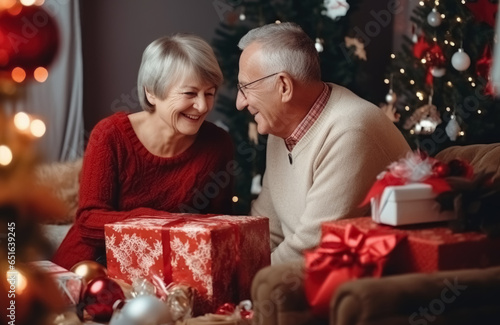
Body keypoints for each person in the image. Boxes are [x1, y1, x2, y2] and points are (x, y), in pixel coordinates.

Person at [53, 34, 234, 269]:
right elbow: (89, 221)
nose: (202, 106)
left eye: (209, 93)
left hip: (164, 272)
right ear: (152, 93)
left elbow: (218, 227)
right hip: (90, 266)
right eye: (190, 93)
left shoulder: (218, 144)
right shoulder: (110, 135)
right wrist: (159, 223)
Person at [236, 22, 411, 264]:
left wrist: (236, 286)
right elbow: (266, 229)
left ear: (283, 87)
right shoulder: (281, 128)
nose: (239, 103)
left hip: (363, 285)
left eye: (246, 88)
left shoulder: (350, 131)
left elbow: (309, 251)